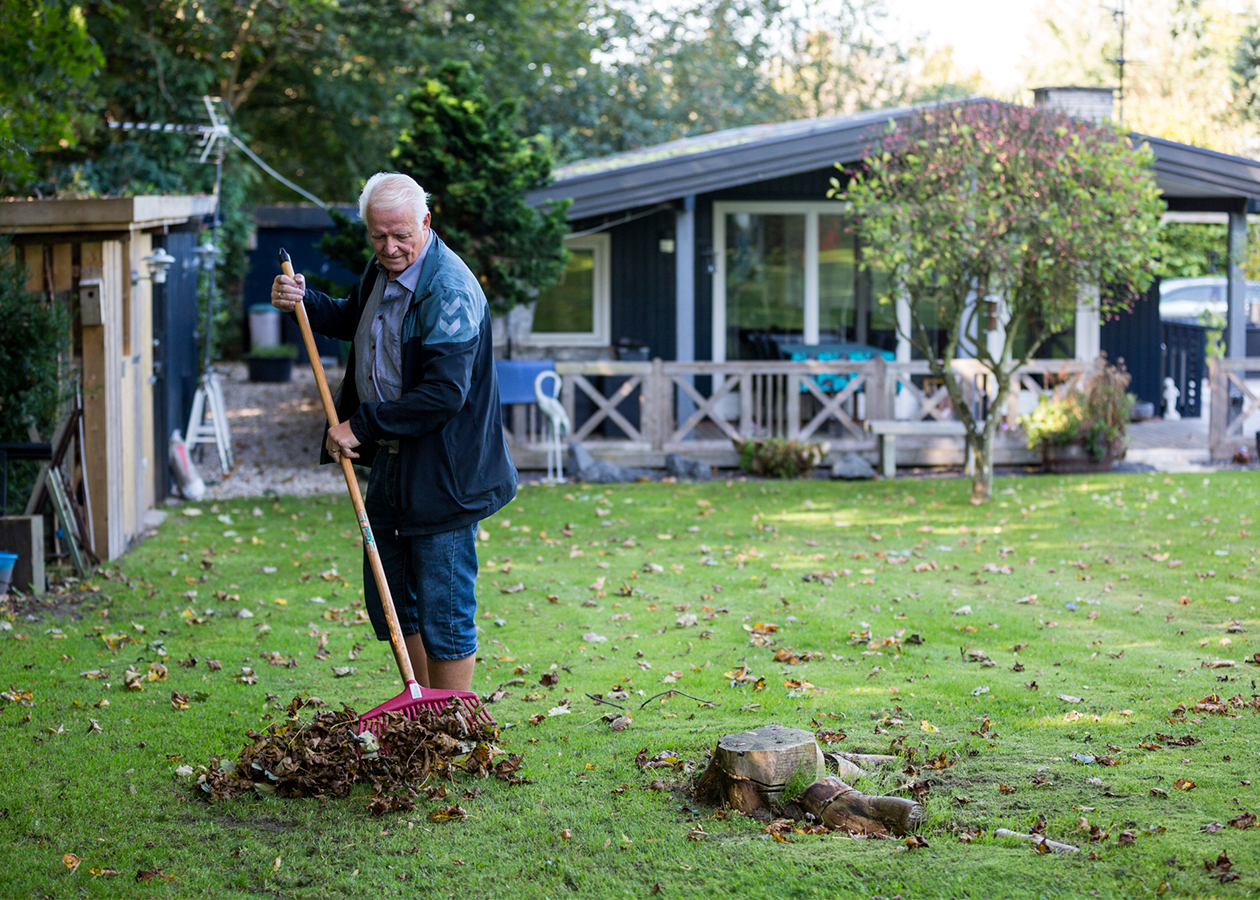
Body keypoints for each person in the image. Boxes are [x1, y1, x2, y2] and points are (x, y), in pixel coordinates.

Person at [270, 172, 516, 692]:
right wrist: (303, 300)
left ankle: (452, 729)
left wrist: (360, 424)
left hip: (446, 472)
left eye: (401, 235)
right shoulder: (381, 269)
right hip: (392, 461)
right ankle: (421, 718)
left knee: (444, 605)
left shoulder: (448, 290)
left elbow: (443, 395)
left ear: (426, 223)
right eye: (378, 236)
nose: (390, 247)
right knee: (395, 598)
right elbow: (353, 320)